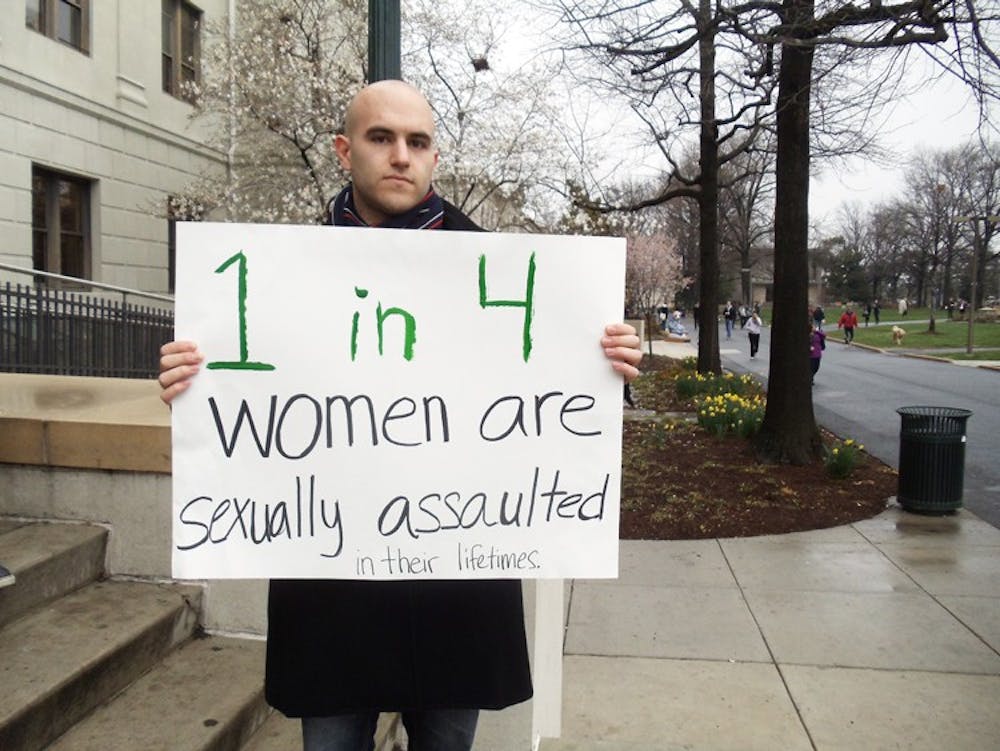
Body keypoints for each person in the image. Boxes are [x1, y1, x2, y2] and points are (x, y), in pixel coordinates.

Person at [158, 80, 643, 751]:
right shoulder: (274, 277)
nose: (400, 155)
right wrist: (192, 380)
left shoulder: (507, 274)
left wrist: (606, 364)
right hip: (330, 588)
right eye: (380, 137)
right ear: (343, 148)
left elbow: (555, 409)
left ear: (435, 157)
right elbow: (245, 401)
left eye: (417, 141)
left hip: (456, 586)